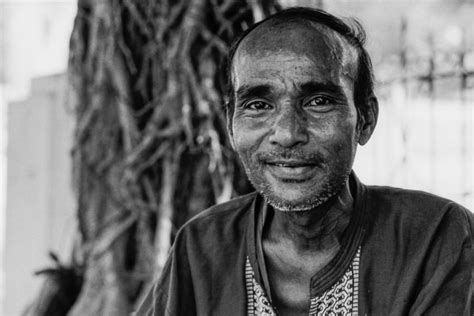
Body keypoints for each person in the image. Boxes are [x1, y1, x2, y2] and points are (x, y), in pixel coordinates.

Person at [136, 7, 473, 315]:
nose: (286, 133)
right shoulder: (202, 246)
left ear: (365, 119)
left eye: (319, 101)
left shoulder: (436, 238)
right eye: (257, 105)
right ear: (230, 125)